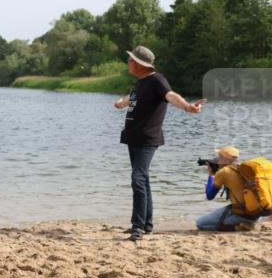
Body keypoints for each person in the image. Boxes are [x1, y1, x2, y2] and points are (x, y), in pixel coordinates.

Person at [113, 46, 205, 240]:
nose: (128, 62)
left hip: (147, 139)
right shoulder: (141, 82)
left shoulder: (157, 80)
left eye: (130, 60)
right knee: (143, 179)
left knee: (137, 178)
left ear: (138, 64)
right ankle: (146, 224)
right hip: (133, 138)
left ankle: (137, 227)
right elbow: (133, 98)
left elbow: (171, 95)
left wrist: (188, 107)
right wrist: (121, 103)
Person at [197, 146, 268, 231]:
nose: (218, 159)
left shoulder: (224, 172)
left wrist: (211, 174)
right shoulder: (243, 168)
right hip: (255, 211)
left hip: (240, 213)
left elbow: (210, 195)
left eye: (220, 157)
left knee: (200, 224)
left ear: (224, 159)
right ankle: (247, 223)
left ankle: (239, 227)